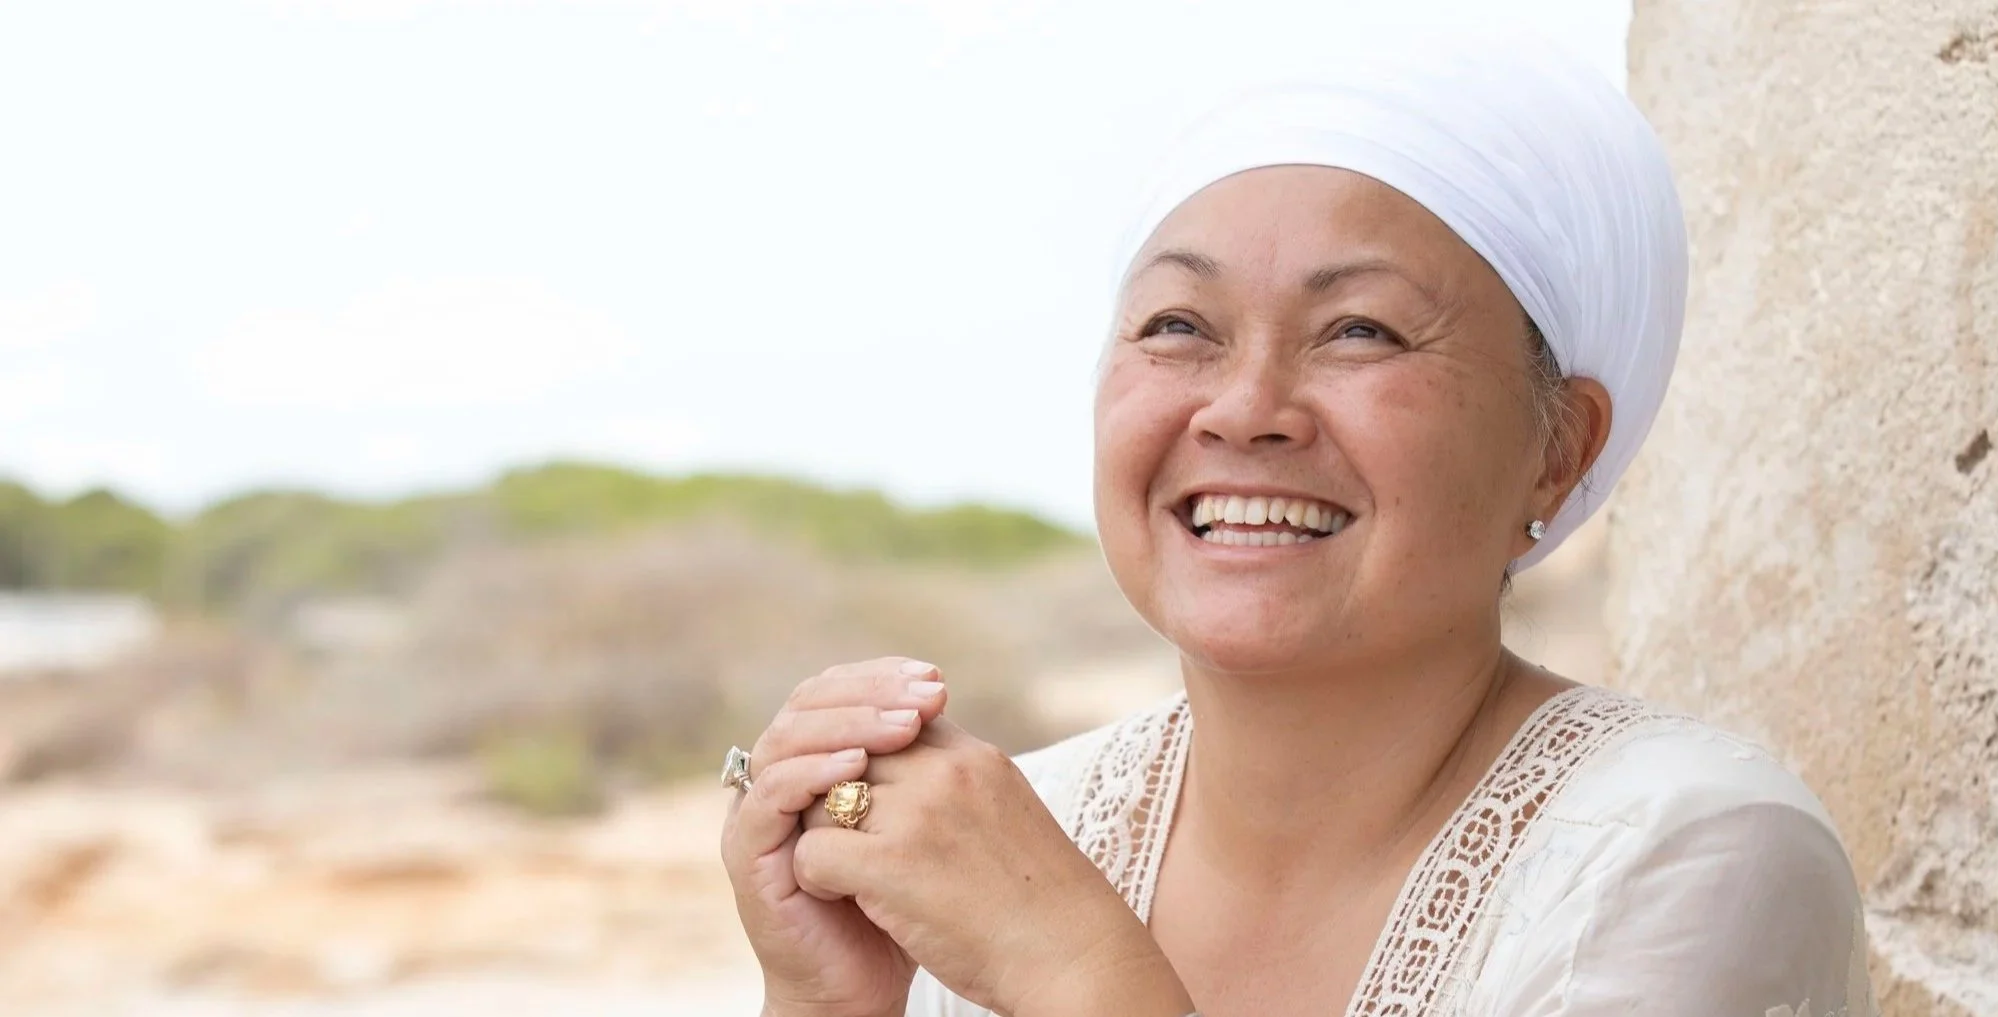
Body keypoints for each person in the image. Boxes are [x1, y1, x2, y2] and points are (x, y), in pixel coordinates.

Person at [717, 28, 1872, 1017]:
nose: (1244, 408)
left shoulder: (1686, 855)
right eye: (1178, 325)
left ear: (1556, 449)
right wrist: (828, 1003)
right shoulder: (1025, 829)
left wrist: (1073, 970)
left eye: (1360, 330)